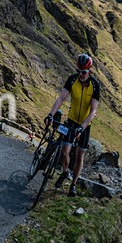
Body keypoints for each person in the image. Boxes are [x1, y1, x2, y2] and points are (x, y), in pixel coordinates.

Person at [47, 53, 100, 197]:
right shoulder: (72, 80)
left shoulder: (95, 85)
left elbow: (93, 111)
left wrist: (82, 127)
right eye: (78, 71)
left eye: (83, 72)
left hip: (84, 125)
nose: (80, 74)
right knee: (64, 152)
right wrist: (51, 114)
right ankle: (65, 173)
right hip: (71, 120)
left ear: (89, 71)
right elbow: (61, 99)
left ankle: (73, 185)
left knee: (79, 156)